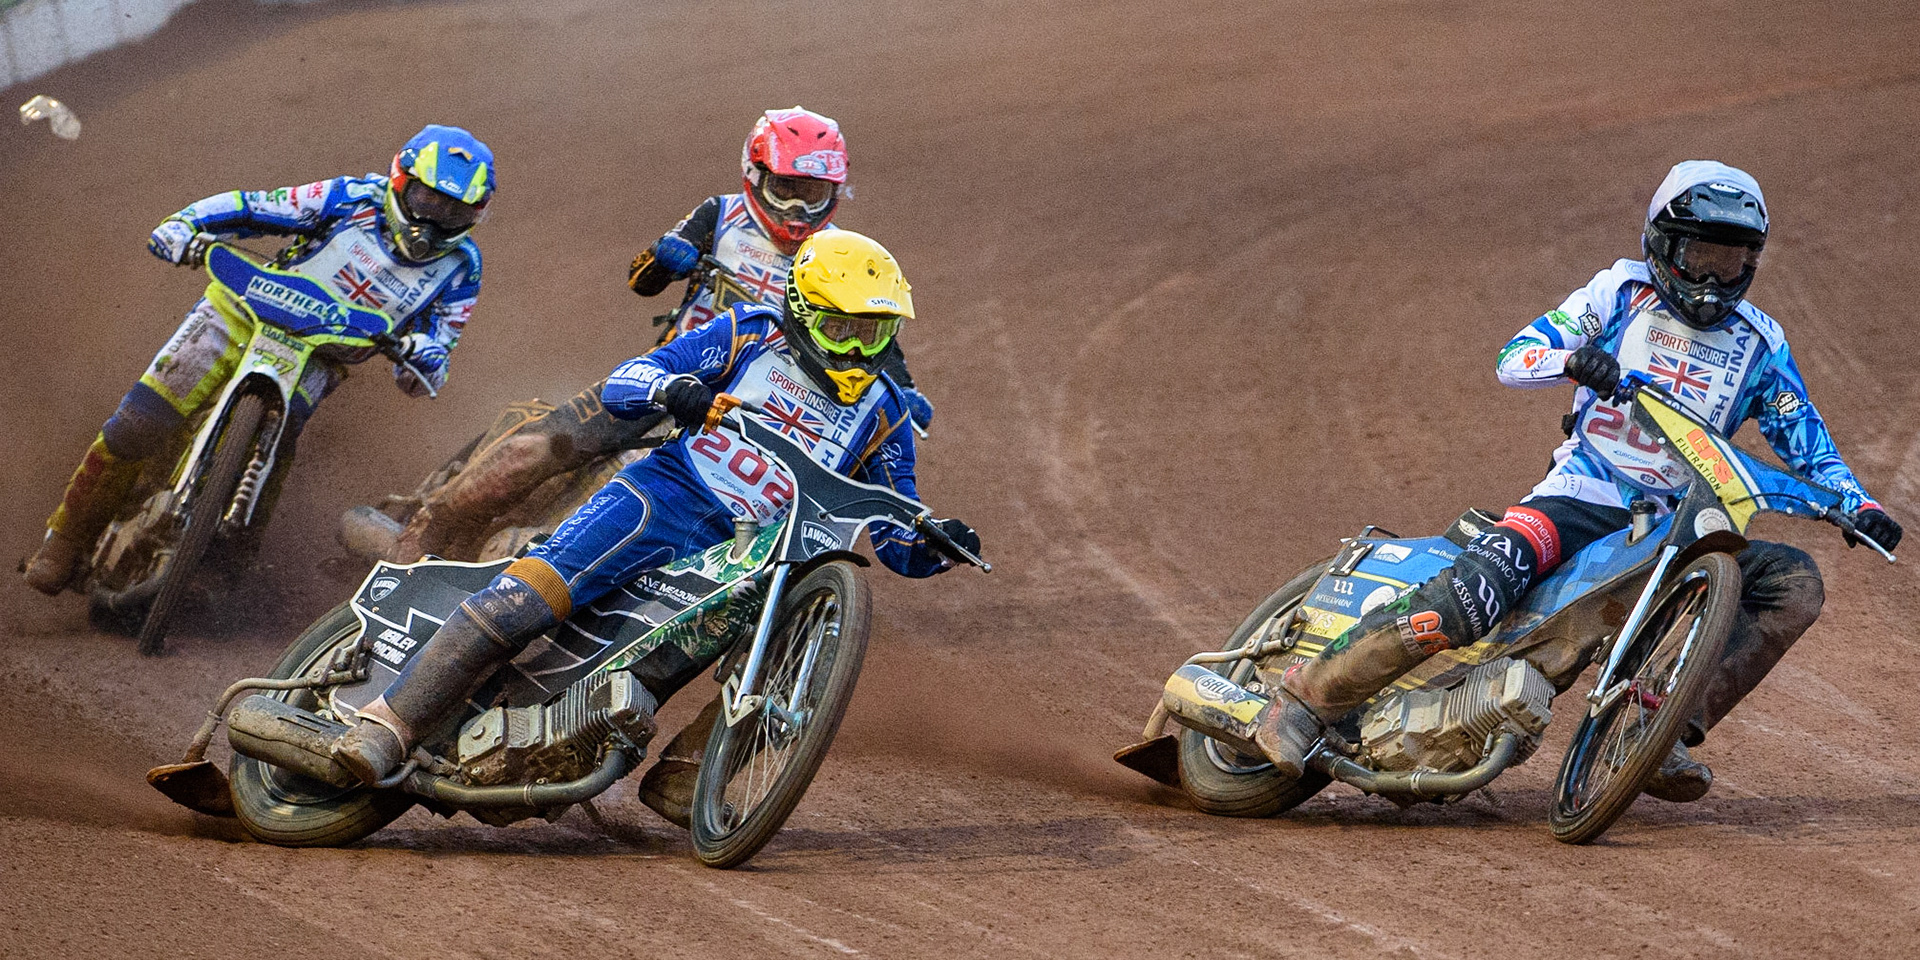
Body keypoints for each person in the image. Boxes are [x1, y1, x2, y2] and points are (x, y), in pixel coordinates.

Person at [1251, 161, 1902, 802]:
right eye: (1699, 254)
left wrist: (1858, 503)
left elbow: (1806, 442)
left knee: (1791, 581)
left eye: (1728, 261)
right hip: (1577, 499)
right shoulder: (1616, 295)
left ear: (1752, 262)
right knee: (1474, 593)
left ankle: (1652, 731)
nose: (1710, 277)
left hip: (1677, 522)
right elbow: (1515, 357)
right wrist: (1572, 359)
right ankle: (1302, 701)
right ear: (1662, 245)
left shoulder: (1762, 344)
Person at [327, 229, 980, 791]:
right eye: (842, 329)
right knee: (529, 593)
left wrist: (936, 543)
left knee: (806, 613)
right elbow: (626, 381)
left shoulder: (886, 408)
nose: (859, 351)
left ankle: (692, 770)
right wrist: (678, 389)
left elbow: (896, 533)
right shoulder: (749, 333)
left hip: (748, 553)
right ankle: (391, 716)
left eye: (876, 334)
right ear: (805, 312)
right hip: (665, 494)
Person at [383, 105, 935, 566]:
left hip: (748, 412)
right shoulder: (720, 216)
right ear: (756, 174)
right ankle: (421, 535)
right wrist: (666, 258)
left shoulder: (844, 254)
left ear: (834, 192)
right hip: (667, 377)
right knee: (535, 450)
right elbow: (639, 280)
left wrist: (905, 392)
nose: (796, 207)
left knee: (635, 509)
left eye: (811, 192)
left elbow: (876, 331)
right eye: (786, 188)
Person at [22, 124, 496, 595]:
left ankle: (228, 561)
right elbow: (256, 207)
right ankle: (64, 541)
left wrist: (423, 357)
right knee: (138, 424)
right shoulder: (350, 200)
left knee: (278, 443)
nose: (435, 221)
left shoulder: (461, 271)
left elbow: (434, 359)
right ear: (399, 181)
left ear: (474, 215)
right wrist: (186, 224)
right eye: (428, 201)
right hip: (240, 311)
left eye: (453, 211)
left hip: (321, 354)